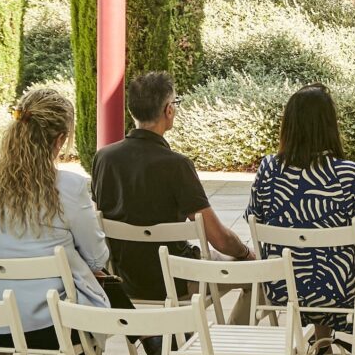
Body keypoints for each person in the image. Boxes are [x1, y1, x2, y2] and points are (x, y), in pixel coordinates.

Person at [0, 89, 125, 355]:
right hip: (49, 327)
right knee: (81, 292)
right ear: (60, 139)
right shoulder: (70, 186)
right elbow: (97, 256)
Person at [246, 84, 355, 355]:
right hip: (340, 292)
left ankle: (322, 346)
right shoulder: (351, 174)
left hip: (281, 289)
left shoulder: (268, 170)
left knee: (311, 262)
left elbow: (254, 222)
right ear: (331, 125)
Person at [91, 72, 256, 325]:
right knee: (258, 276)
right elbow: (219, 239)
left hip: (125, 278)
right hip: (177, 277)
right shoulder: (176, 165)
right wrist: (245, 253)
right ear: (168, 110)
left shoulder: (104, 159)